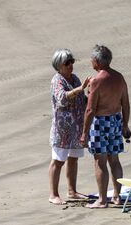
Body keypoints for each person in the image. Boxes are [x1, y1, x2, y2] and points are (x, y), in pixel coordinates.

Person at [80, 44, 131, 209]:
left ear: (96, 61)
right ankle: (117, 196)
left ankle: (102, 200)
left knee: (100, 161)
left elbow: (90, 109)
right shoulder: (119, 77)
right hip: (116, 121)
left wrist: (84, 133)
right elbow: (126, 104)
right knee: (114, 160)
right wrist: (125, 125)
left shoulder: (96, 81)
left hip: (101, 123)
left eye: (91, 59)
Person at [49, 49, 91, 205]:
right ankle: (53, 194)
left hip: (76, 128)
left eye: (72, 61)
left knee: (74, 159)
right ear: (59, 65)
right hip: (62, 129)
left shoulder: (74, 78)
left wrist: (90, 95)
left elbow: (82, 98)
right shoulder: (57, 80)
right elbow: (62, 99)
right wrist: (80, 89)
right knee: (58, 161)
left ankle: (72, 191)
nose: (70, 65)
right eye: (67, 63)